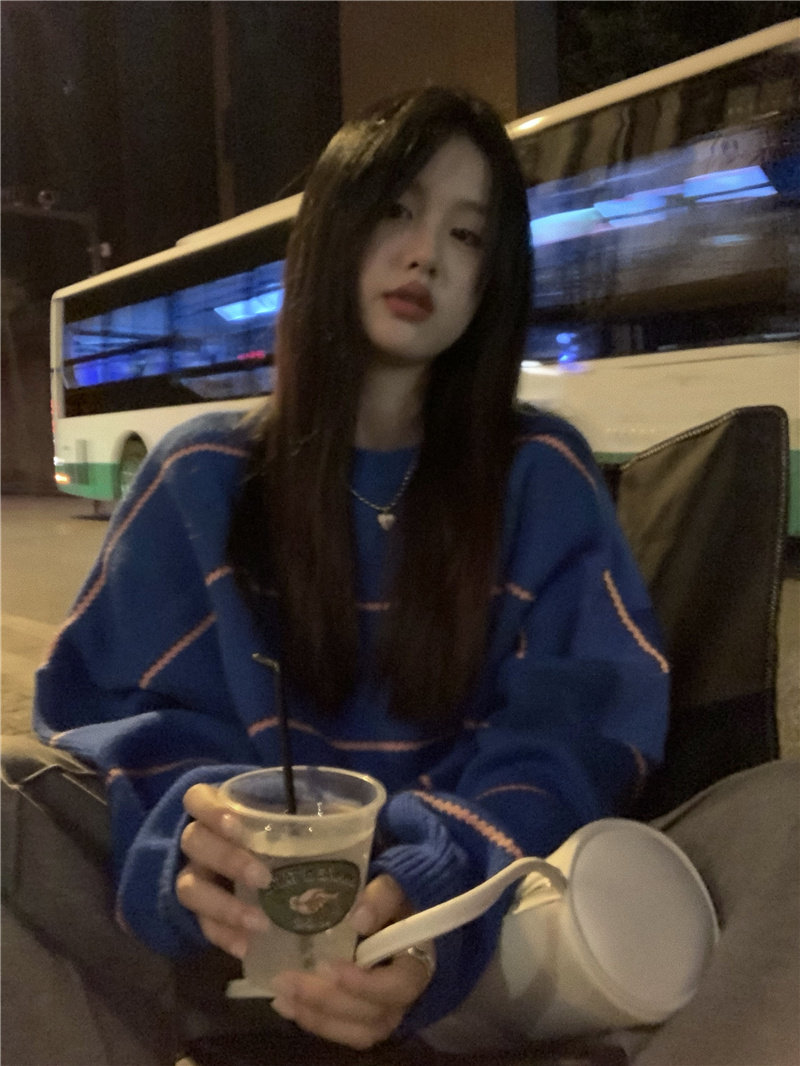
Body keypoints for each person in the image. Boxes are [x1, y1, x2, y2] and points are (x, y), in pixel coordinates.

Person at [7, 86, 792, 1066]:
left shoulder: (539, 474)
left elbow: (576, 727)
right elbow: (115, 712)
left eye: (466, 235)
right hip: (232, 941)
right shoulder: (200, 476)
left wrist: (434, 885)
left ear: (490, 280)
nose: (426, 255)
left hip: (486, 934)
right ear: (333, 229)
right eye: (397, 211)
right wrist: (193, 839)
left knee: (782, 820)